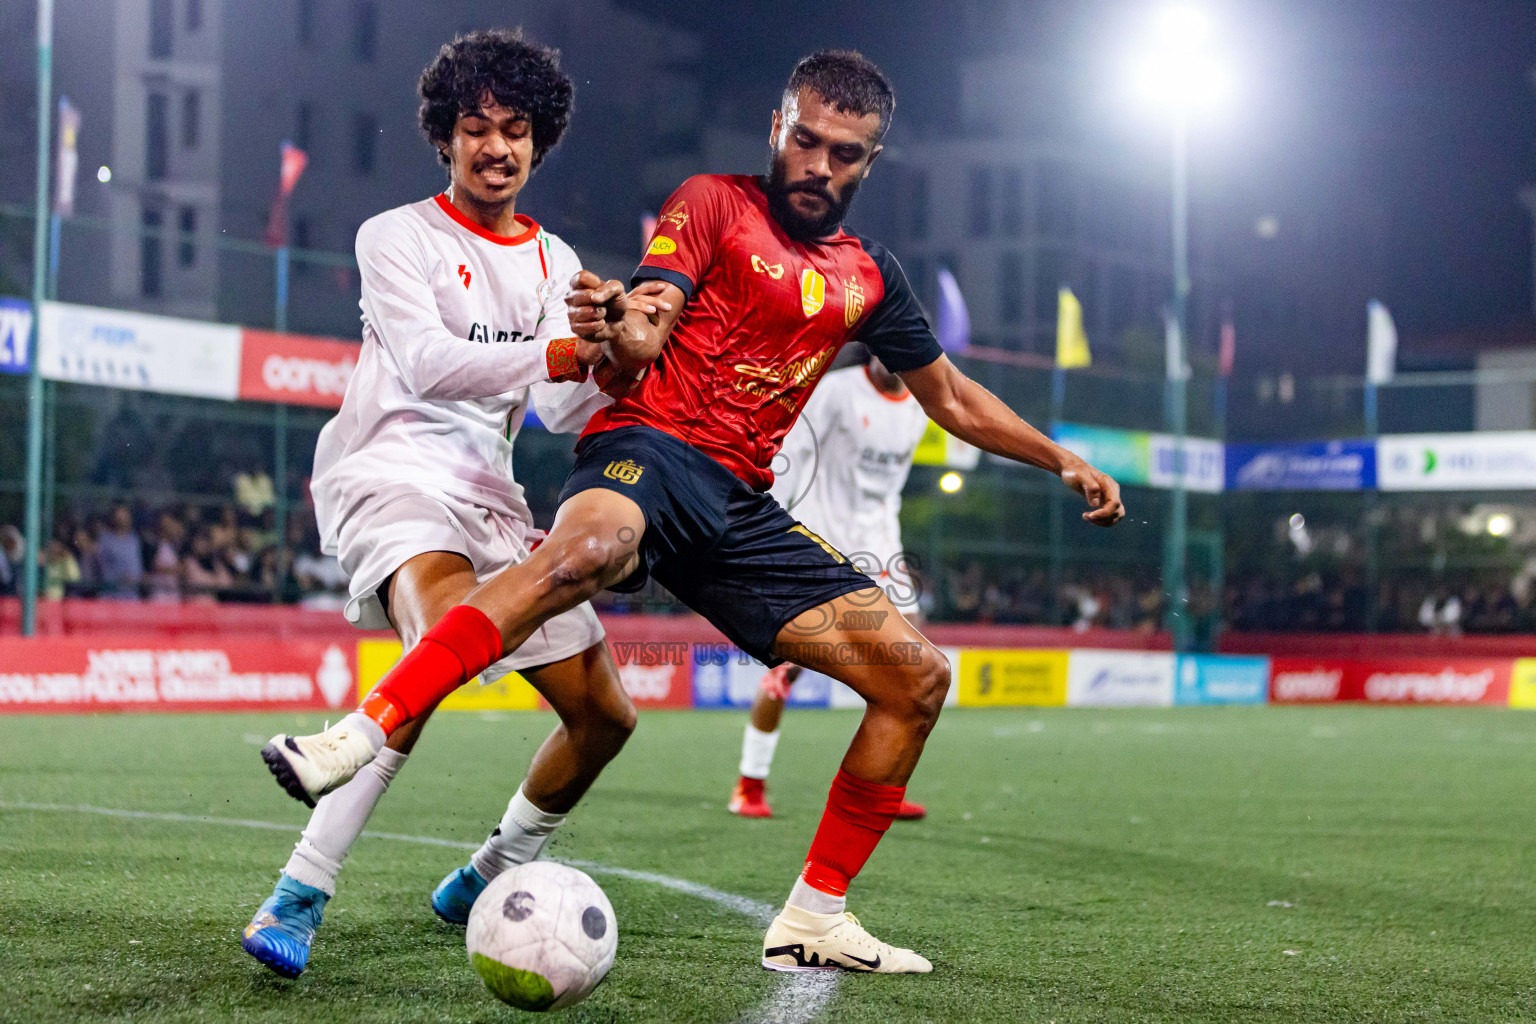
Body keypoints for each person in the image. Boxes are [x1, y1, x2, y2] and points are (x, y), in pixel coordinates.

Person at [264, 49, 1123, 975]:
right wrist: (619, 335)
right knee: (576, 554)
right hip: (612, 456)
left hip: (716, 502)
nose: (819, 165)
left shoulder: (866, 276)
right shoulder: (709, 201)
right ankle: (334, 789)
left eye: (845, 152)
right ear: (777, 131)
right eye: (805, 141)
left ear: (871, 162)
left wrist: (1062, 458)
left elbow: (950, 397)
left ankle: (810, 917)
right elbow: (637, 324)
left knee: (912, 678)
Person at [240, 30, 664, 979]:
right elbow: (430, 367)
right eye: (476, 128)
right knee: (436, 650)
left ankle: (491, 870)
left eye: (515, 130)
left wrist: (610, 357)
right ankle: (300, 890)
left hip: (491, 493)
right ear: (446, 137)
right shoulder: (394, 235)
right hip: (388, 471)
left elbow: (555, 408)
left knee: (605, 719)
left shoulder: (557, 260)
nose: (496, 148)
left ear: (538, 141)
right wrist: (561, 351)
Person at [731, 351, 930, 821]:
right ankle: (749, 784)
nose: (892, 354)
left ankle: (883, 787)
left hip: (881, 546)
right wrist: (775, 531)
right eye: (885, 343)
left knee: (915, 670)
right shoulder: (836, 391)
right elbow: (795, 453)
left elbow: (888, 488)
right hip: (824, 540)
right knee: (789, 669)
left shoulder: (920, 410)